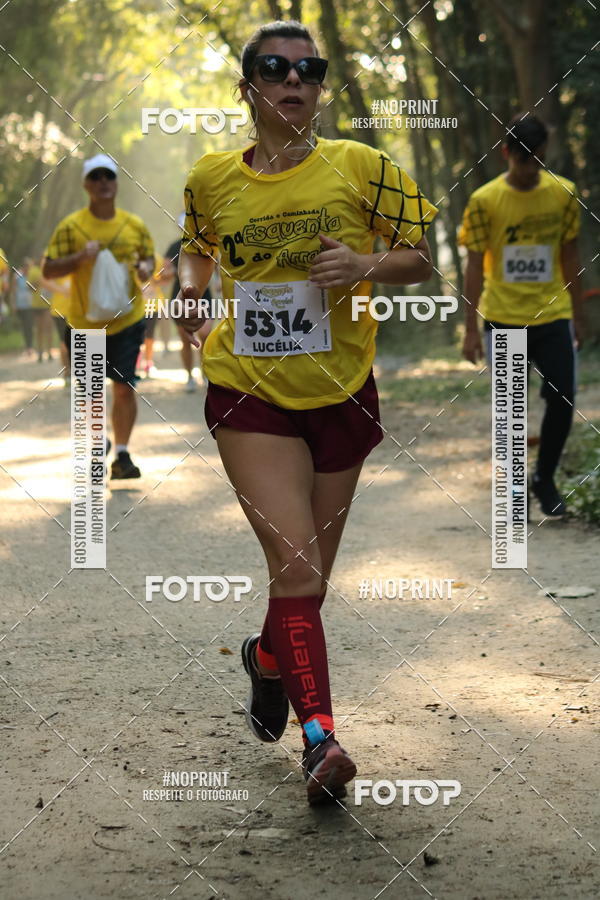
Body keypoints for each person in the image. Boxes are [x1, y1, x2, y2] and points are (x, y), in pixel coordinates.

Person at [177, 20, 437, 804]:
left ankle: (265, 659)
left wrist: (363, 263)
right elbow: (195, 242)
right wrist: (191, 288)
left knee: (309, 582)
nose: (296, 80)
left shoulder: (363, 166)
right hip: (248, 396)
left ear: (320, 87)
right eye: (276, 68)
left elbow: (422, 256)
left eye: (310, 70)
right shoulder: (213, 177)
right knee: (294, 566)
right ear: (248, 86)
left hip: (342, 392)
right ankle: (321, 740)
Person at [460, 113, 584, 517]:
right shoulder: (484, 202)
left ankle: (544, 479)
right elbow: (475, 266)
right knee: (512, 409)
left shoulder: (565, 193)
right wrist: (470, 329)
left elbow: (569, 255)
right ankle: (514, 491)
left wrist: (579, 315)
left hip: (553, 317)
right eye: (524, 160)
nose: (532, 170)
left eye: (540, 160)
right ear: (506, 154)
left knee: (563, 401)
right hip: (504, 317)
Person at [42, 153, 155, 478]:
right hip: (84, 324)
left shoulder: (133, 225)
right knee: (91, 391)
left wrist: (145, 268)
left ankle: (121, 455)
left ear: (116, 183)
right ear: (86, 185)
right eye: (96, 178)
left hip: (127, 320)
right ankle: (97, 443)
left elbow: (147, 264)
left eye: (108, 177)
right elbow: (48, 267)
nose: (103, 183)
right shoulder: (71, 226)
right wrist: (78, 257)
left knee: (123, 388)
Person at [164, 214, 214, 392]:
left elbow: (218, 264)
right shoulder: (173, 247)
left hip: (204, 296)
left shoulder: (206, 243)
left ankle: (205, 372)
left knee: (205, 334)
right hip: (180, 299)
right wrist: (165, 274)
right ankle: (189, 376)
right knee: (186, 339)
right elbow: (165, 271)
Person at [28, 259, 54, 362]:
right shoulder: (33, 270)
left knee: (49, 328)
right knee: (39, 329)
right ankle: (40, 353)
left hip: (48, 304)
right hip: (37, 305)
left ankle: (49, 352)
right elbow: (29, 287)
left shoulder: (50, 269)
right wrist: (37, 282)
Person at [12, 259, 36, 358]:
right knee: (24, 326)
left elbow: (35, 289)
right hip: (21, 305)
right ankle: (27, 347)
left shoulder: (32, 276)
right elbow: (13, 291)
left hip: (31, 305)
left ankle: (30, 347)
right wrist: (13, 305)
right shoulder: (17, 276)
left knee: (29, 325)